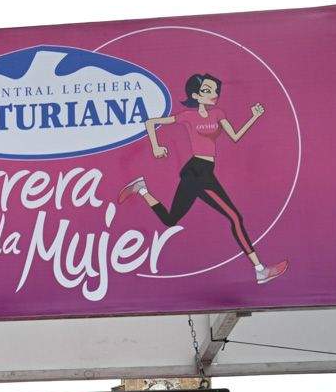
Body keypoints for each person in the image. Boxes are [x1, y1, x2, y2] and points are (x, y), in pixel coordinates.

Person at [119, 72, 288, 285]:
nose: (214, 95)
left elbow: (235, 136)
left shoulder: (218, 113)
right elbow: (151, 123)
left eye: (215, 91)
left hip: (203, 171)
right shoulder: (188, 116)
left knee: (170, 220)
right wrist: (156, 147)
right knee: (235, 218)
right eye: (207, 91)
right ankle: (260, 270)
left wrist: (254, 116)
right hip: (197, 171)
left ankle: (141, 188)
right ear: (196, 95)